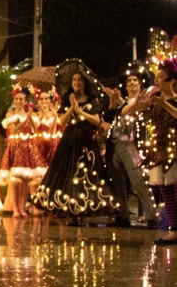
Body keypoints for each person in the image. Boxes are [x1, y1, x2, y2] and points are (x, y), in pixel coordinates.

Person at [31, 59, 117, 224]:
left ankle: (85, 210)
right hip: (69, 141)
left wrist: (81, 112)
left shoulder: (93, 100)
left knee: (87, 177)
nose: (77, 82)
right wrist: (72, 107)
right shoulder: (67, 99)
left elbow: (97, 121)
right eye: (74, 80)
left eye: (80, 80)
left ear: (85, 82)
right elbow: (62, 121)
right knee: (69, 176)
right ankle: (71, 211)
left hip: (86, 142)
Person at [102, 68, 157, 228]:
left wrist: (125, 105)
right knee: (117, 182)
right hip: (115, 144)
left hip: (131, 145)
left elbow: (133, 111)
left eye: (135, 81)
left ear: (140, 84)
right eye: (129, 81)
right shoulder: (122, 102)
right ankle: (123, 215)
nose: (132, 83)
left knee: (138, 181)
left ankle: (151, 217)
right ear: (125, 85)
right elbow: (109, 119)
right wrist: (113, 102)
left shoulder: (146, 100)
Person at [137, 59, 177, 244]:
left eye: (160, 77)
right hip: (160, 151)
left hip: (174, 150)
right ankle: (174, 231)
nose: (156, 81)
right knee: (166, 191)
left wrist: (164, 104)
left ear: (172, 80)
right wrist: (139, 103)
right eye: (156, 77)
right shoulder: (154, 100)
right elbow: (129, 112)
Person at [0, 84, 44, 218]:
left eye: (21, 99)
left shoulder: (31, 114)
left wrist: (30, 117)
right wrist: (26, 119)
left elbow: (35, 130)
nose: (19, 101)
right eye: (17, 99)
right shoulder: (11, 114)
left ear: (25, 101)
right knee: (15, 179)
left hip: (28, 147)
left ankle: (22, 208)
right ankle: (16, 209)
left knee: (25, 180)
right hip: (16, 146)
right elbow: (13, 130)